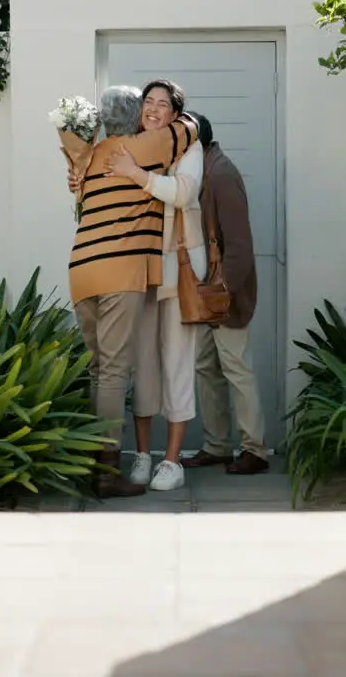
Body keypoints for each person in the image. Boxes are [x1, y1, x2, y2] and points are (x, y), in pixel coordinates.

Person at [68, 85, 201, 498]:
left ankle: (94, 465)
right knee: (112, 372)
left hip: (81, 271)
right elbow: (193, 129)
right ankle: (106, 473)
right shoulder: (144, 149)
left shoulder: (89, 158)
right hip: (118, 272)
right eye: (148, 104)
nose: (154, 111)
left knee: (97, 369)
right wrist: (183, 116)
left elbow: (77, 190)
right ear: (136, 114)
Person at [103, 82, 207, 491]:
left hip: (177, 269)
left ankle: (172, 461)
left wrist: (136, 175)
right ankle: (143, 456)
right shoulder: (129, 143)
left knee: (177, 361)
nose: (153, 109)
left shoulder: (187, 148)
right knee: (142, 364)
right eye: (148, 101)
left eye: (163, 104)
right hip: (138, 266)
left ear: (174, 114)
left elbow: (183, 193)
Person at [180, 113, 269, 475]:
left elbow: (240, 246)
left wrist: (224, 293)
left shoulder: (221, 175)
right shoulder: (201, 172)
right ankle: (216, 446)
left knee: (236, 369)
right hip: (204, 294)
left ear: (195, 144)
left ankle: (256, 450)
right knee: (206, 368)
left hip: (223, 295)